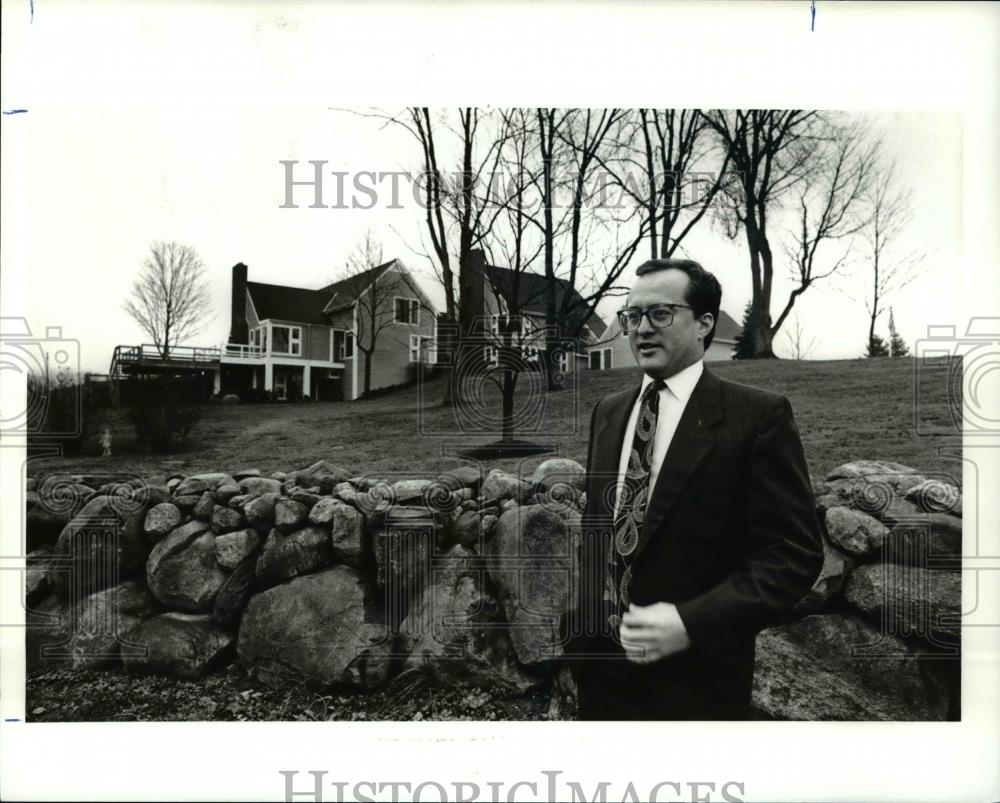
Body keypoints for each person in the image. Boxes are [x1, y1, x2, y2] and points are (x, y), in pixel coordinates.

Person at [564, 258, 824, 720]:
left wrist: (691, 623)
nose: (641, 329)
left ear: (705, 323)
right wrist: (580, 630)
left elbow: (792, 555)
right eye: (631, 316)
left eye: (660, 313)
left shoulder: (757, 417)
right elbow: (600, 529)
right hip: (600, 675)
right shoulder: (608, 411)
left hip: (696, 686)